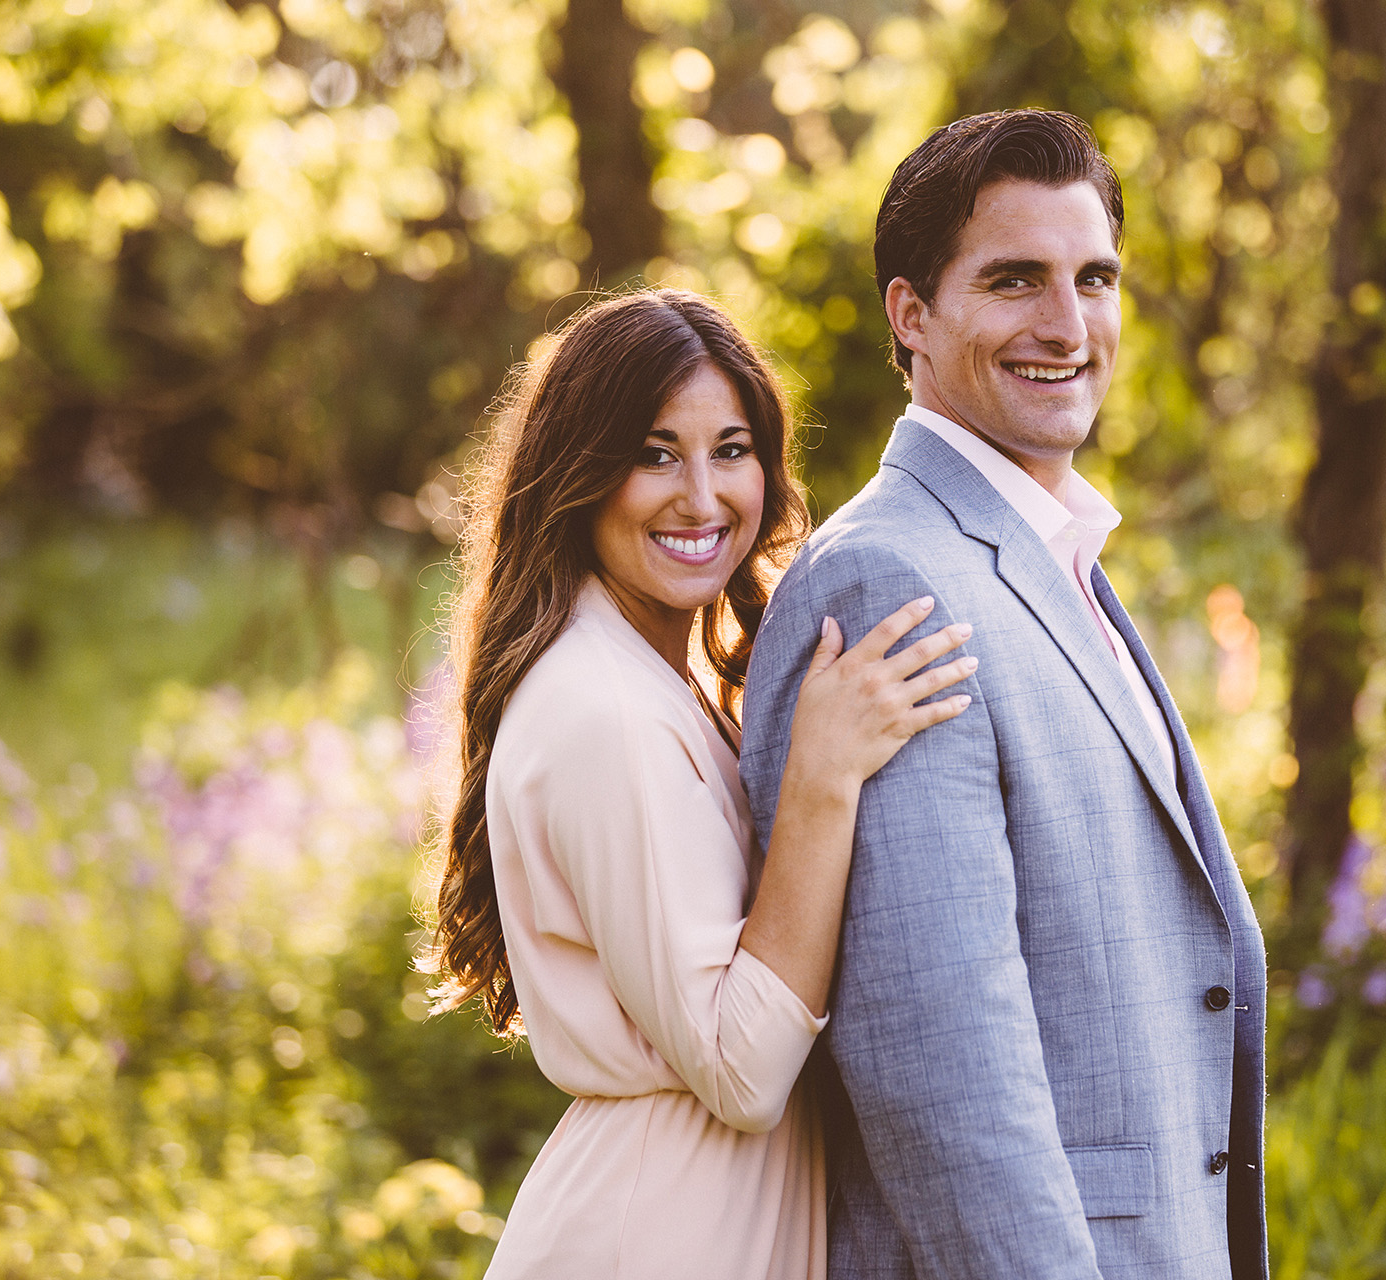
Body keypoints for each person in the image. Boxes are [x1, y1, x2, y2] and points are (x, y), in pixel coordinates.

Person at [739, 110, 1269, 1279]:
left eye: (1095, 278)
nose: (1067, 325)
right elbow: (945, 1067)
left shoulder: (1048, 558)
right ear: (912, 314)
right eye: (1015, 279)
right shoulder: (890, 580)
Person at [424, 289, 976, 1280]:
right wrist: (820, 779)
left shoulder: (659, 680)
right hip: (660, 1234)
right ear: (579, 473)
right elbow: (742, 1067)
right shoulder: (608, 713)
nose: (702, 496)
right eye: (652, 453)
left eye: (731, 449)